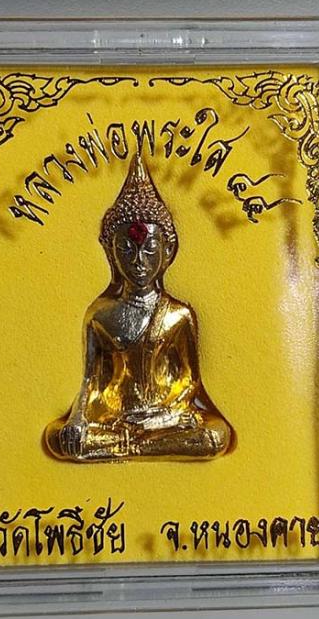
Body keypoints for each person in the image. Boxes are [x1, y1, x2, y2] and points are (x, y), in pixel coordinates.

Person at [44, 153, 234, 462]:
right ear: (111, 252)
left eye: (150, 249)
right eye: (126, 249)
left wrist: (161, 417)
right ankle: (133, 444)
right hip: (116, 418)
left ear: (167, 251)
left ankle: (131, 446)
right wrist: (78, 420)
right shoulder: (101, 315)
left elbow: (190, 383)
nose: (138, 261)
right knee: (60, 437)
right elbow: (91, 383)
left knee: (214, 436)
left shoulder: (178, 316)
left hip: (166, 419)